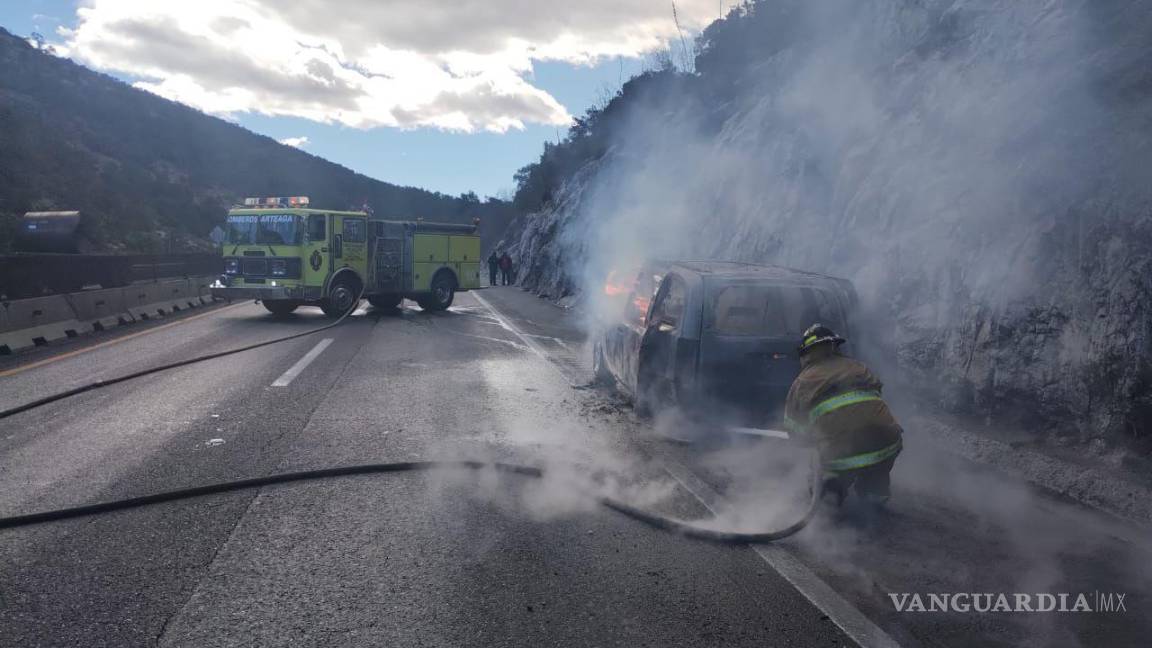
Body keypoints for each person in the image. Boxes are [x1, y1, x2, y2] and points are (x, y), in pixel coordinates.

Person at [783, 323, 903, 507]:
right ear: (834, 347)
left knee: (825, 471)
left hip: (841, 450)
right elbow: (874, 404)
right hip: (887, 441)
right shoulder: (859, 367)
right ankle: (874, 498)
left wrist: (811, 440)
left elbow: (794, 429)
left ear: (807, 353)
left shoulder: (803, 381)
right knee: (875, 472)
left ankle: (830, 496)